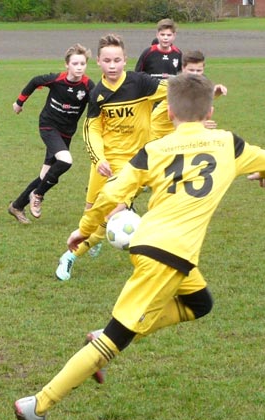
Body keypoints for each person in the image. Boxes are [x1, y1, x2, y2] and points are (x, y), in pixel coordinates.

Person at [14, 73, 265, 420]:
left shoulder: (154, 150)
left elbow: (111, 194)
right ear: (210, 112)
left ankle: (100, 339)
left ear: (168, 112)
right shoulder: (228, 143)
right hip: (168, 255)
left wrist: (84, 229)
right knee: (115, 339)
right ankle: (36, 405)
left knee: (199, 303)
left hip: (152, 245)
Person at [55, 33, 168, 281]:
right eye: (107, 61)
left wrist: (206, 94)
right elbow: (92, 129)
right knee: (90, 212)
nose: (112, 65)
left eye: (117, 60)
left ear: (125, 59)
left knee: (110, 214)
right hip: (105, 162)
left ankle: (70, 256)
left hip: (133, 166)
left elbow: (177, 92)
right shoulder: (98, 94)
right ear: (98, 61)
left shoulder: (141, 83)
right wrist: (99, 159)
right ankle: (93, 238)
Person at [7, 44, 95, 224]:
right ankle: (38, 194)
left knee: (45, 176)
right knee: (66, 161)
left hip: (67, 133)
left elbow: (98, 104)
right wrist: (19, 102)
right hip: (48, 126)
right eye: (75, 63)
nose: (79, 67)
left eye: (83, 64)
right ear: (67, 65)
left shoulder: (88, 86)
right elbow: (34, 81)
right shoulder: (56, 80)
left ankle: (17, 206)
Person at [150, 50, 228, 139]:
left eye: (199, 70)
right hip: (158, 133)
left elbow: (196, 100)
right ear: (183, 68)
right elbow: (184, 111)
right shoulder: (175, 85)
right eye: (191, 70)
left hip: (178, 132)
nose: (195, 74)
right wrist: (200, 124)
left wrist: (214, 93)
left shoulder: (198, 83)